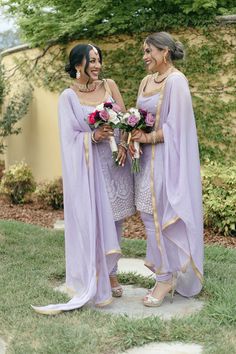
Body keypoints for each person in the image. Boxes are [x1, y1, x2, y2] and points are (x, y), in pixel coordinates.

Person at [32, 43, 135, 314]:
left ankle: (112, 271)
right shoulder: (68, 97)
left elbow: (124, 120)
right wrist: (92, 136)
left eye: (99, 59)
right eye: (92, 60)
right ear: (78, 65)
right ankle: (97, 273)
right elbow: (68, 138)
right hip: (90, 168)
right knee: (95, 219)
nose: (98, 65)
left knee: (116, 217)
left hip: (115, 164)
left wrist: (123, 145)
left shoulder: (109, 85)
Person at [129, 32, 203, 307]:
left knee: (162, 218)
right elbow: (139, 118)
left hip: (166, 161)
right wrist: (132, 133)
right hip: (144, 161)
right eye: (144, 51)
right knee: (149, 217)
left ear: (165, 53)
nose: (145, 56)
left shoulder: (176, 81)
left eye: (149, 51)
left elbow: (177, 127)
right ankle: (163, 272)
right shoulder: (147, 81)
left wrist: (148, 137)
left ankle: (165, 279)